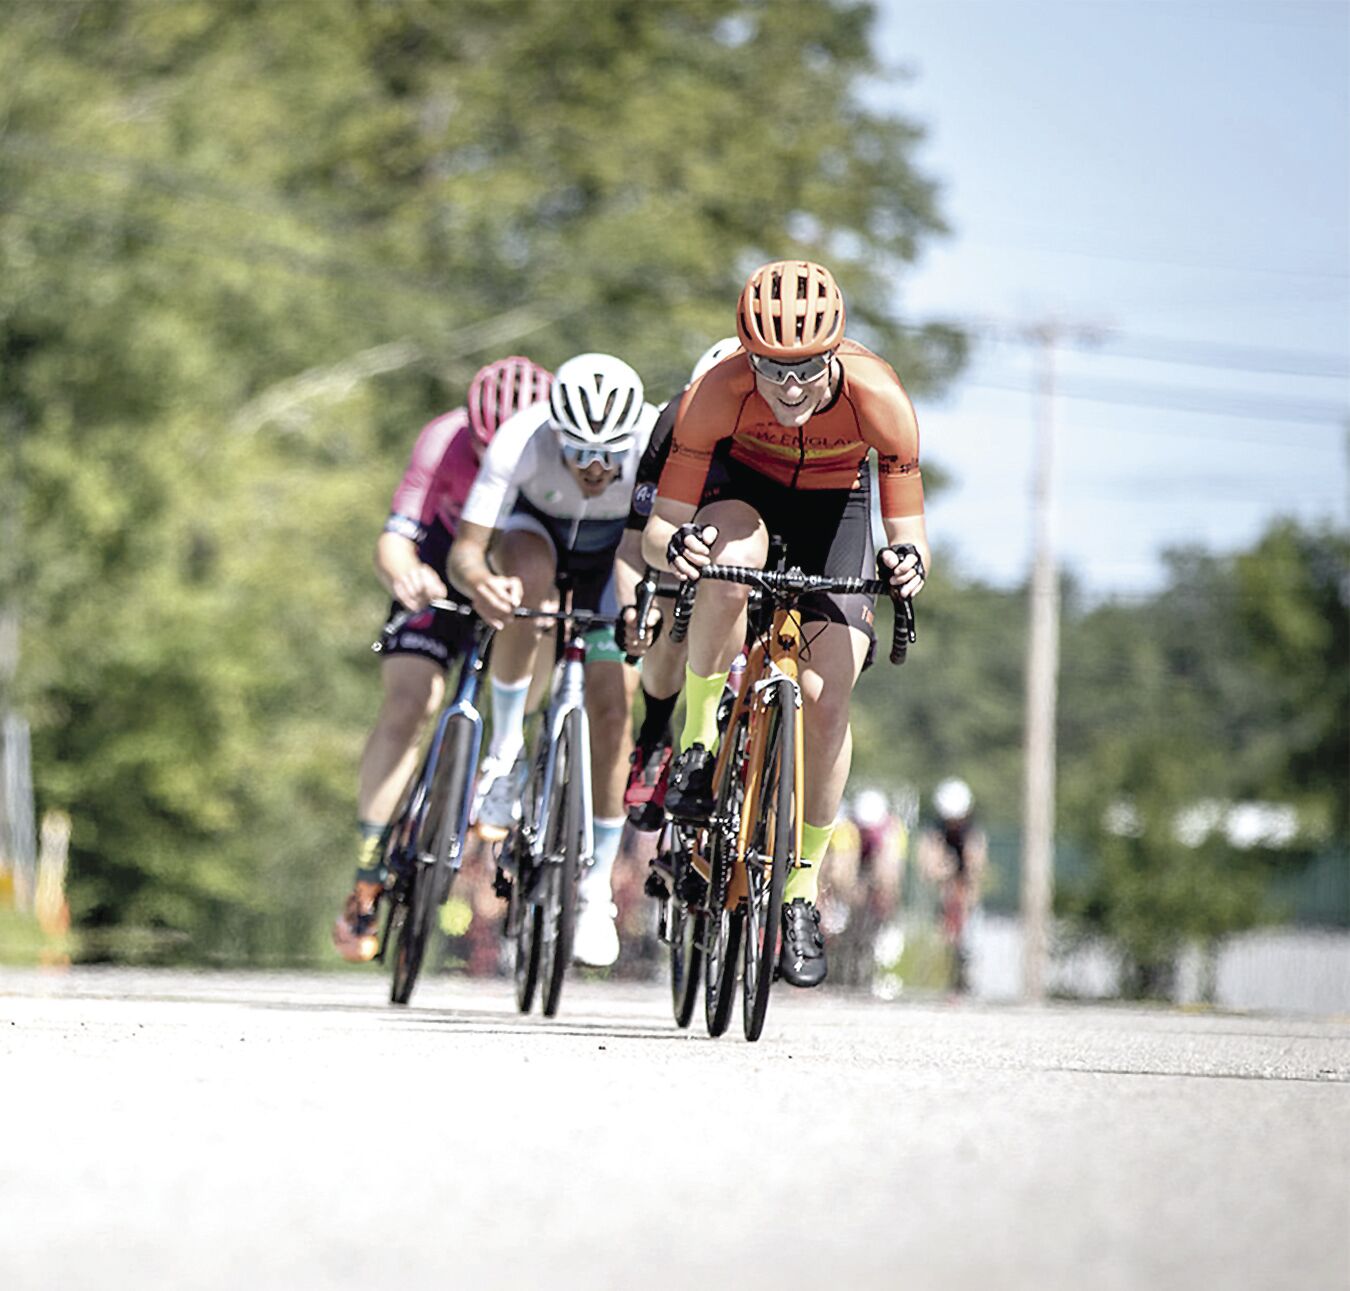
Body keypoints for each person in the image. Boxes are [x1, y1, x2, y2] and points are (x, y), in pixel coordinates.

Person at [640, 259, 929, 988]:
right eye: (772, 369)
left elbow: (911, 535)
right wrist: (680, 548)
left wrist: (908, 566)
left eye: (806, 368)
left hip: (840, 512)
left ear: (836, 353)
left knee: (830, 698)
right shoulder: (717, 393)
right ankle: (701, 742)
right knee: (728, 563)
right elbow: (659, 531)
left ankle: (799, 893)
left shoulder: (881, 399)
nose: (790, 387)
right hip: (747, 496)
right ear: (746, 355)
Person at [333, 357, 554, 963]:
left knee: (543, 645)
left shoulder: (556, 449)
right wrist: (405, 573)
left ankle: (502, 770)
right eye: (485, 452)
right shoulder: (444, 436)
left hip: (513, 577)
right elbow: (396, 535)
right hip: (440, 571)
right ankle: (368, 867)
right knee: (413, 700)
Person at [447, 353, 658, 968]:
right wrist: (483, 583)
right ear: (555, 435)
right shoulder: (521, 438)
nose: (595, 469)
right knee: (524, 585)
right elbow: (467, 552)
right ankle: (506, 755)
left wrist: (643, 611)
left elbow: (660, 540)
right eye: (579, 453)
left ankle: (596, 895)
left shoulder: (654, 440)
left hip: (616, 554)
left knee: (614, 701)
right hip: (535, 536)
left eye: (609, 455)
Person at [612, 337, 742, 830]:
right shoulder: (671, 426)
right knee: (670, 610)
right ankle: (655, 732)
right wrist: (633, 608)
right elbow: (634, 541)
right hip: (690, 530)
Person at [915, 776, 988, 993]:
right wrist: (943, 873)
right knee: (942, 937)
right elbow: (928, 869)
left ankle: (963, 979)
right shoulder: (934, 832)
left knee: (968, 943)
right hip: (943, 892)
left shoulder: (973, 833)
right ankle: (940, 978)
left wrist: (966, 896)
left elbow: (975, 869)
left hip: (965, 893)